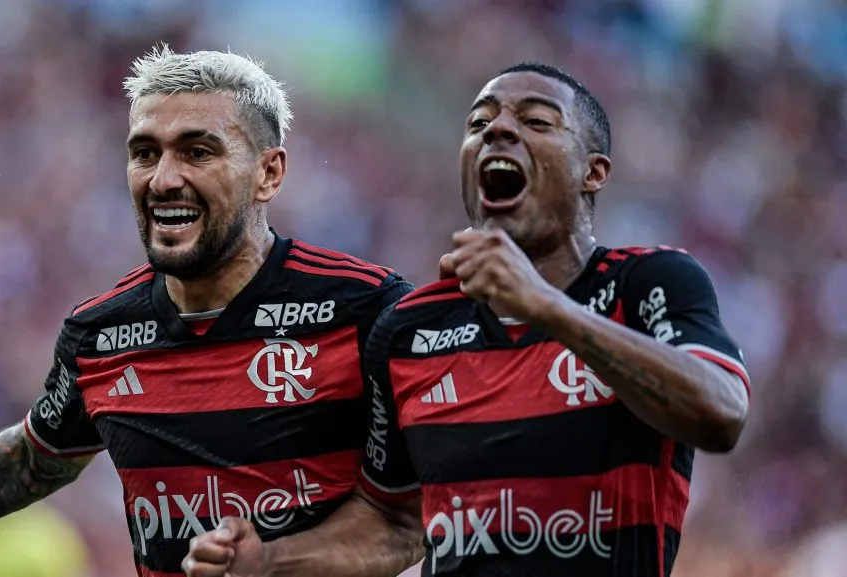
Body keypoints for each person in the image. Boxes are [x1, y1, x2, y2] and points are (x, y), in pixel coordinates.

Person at [0, 44, 413, 577]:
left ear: (268, 173)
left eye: (198, 152)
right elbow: (31, 460)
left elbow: (405, 526)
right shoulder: (101, 333)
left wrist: (273, 563)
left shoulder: (367, 311)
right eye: (145, 153)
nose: (163, 179)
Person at [182, 62, 751, 577]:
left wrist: (547, 307)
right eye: (479, 123)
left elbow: (720, 412)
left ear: (593, 171)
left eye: (537, 121)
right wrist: (271, 560)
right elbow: (394, 520)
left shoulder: (648, 281)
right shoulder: (409, 331)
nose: (498, 130)